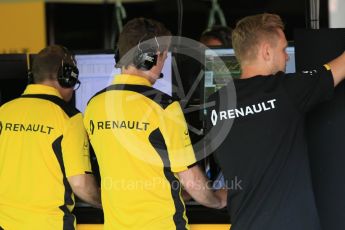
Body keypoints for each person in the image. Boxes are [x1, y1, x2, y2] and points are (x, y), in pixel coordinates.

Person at [84, 18, 227, 230]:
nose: (164, 62)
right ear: (150, 58)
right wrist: (218, 199)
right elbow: (191, 181)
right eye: (164, 55)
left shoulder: (93, 106)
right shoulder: (164, 107)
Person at [207, 13, 345, 230]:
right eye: (282, 49)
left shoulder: (214, 104)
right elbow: (340, 66)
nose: (287, 57)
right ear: (266, 51)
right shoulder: (285, 90)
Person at [0, 45, 102, 230]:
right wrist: (107, 201)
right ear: (67, 77)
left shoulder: (3, 112)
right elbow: (80, 184)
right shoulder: (70, 118)